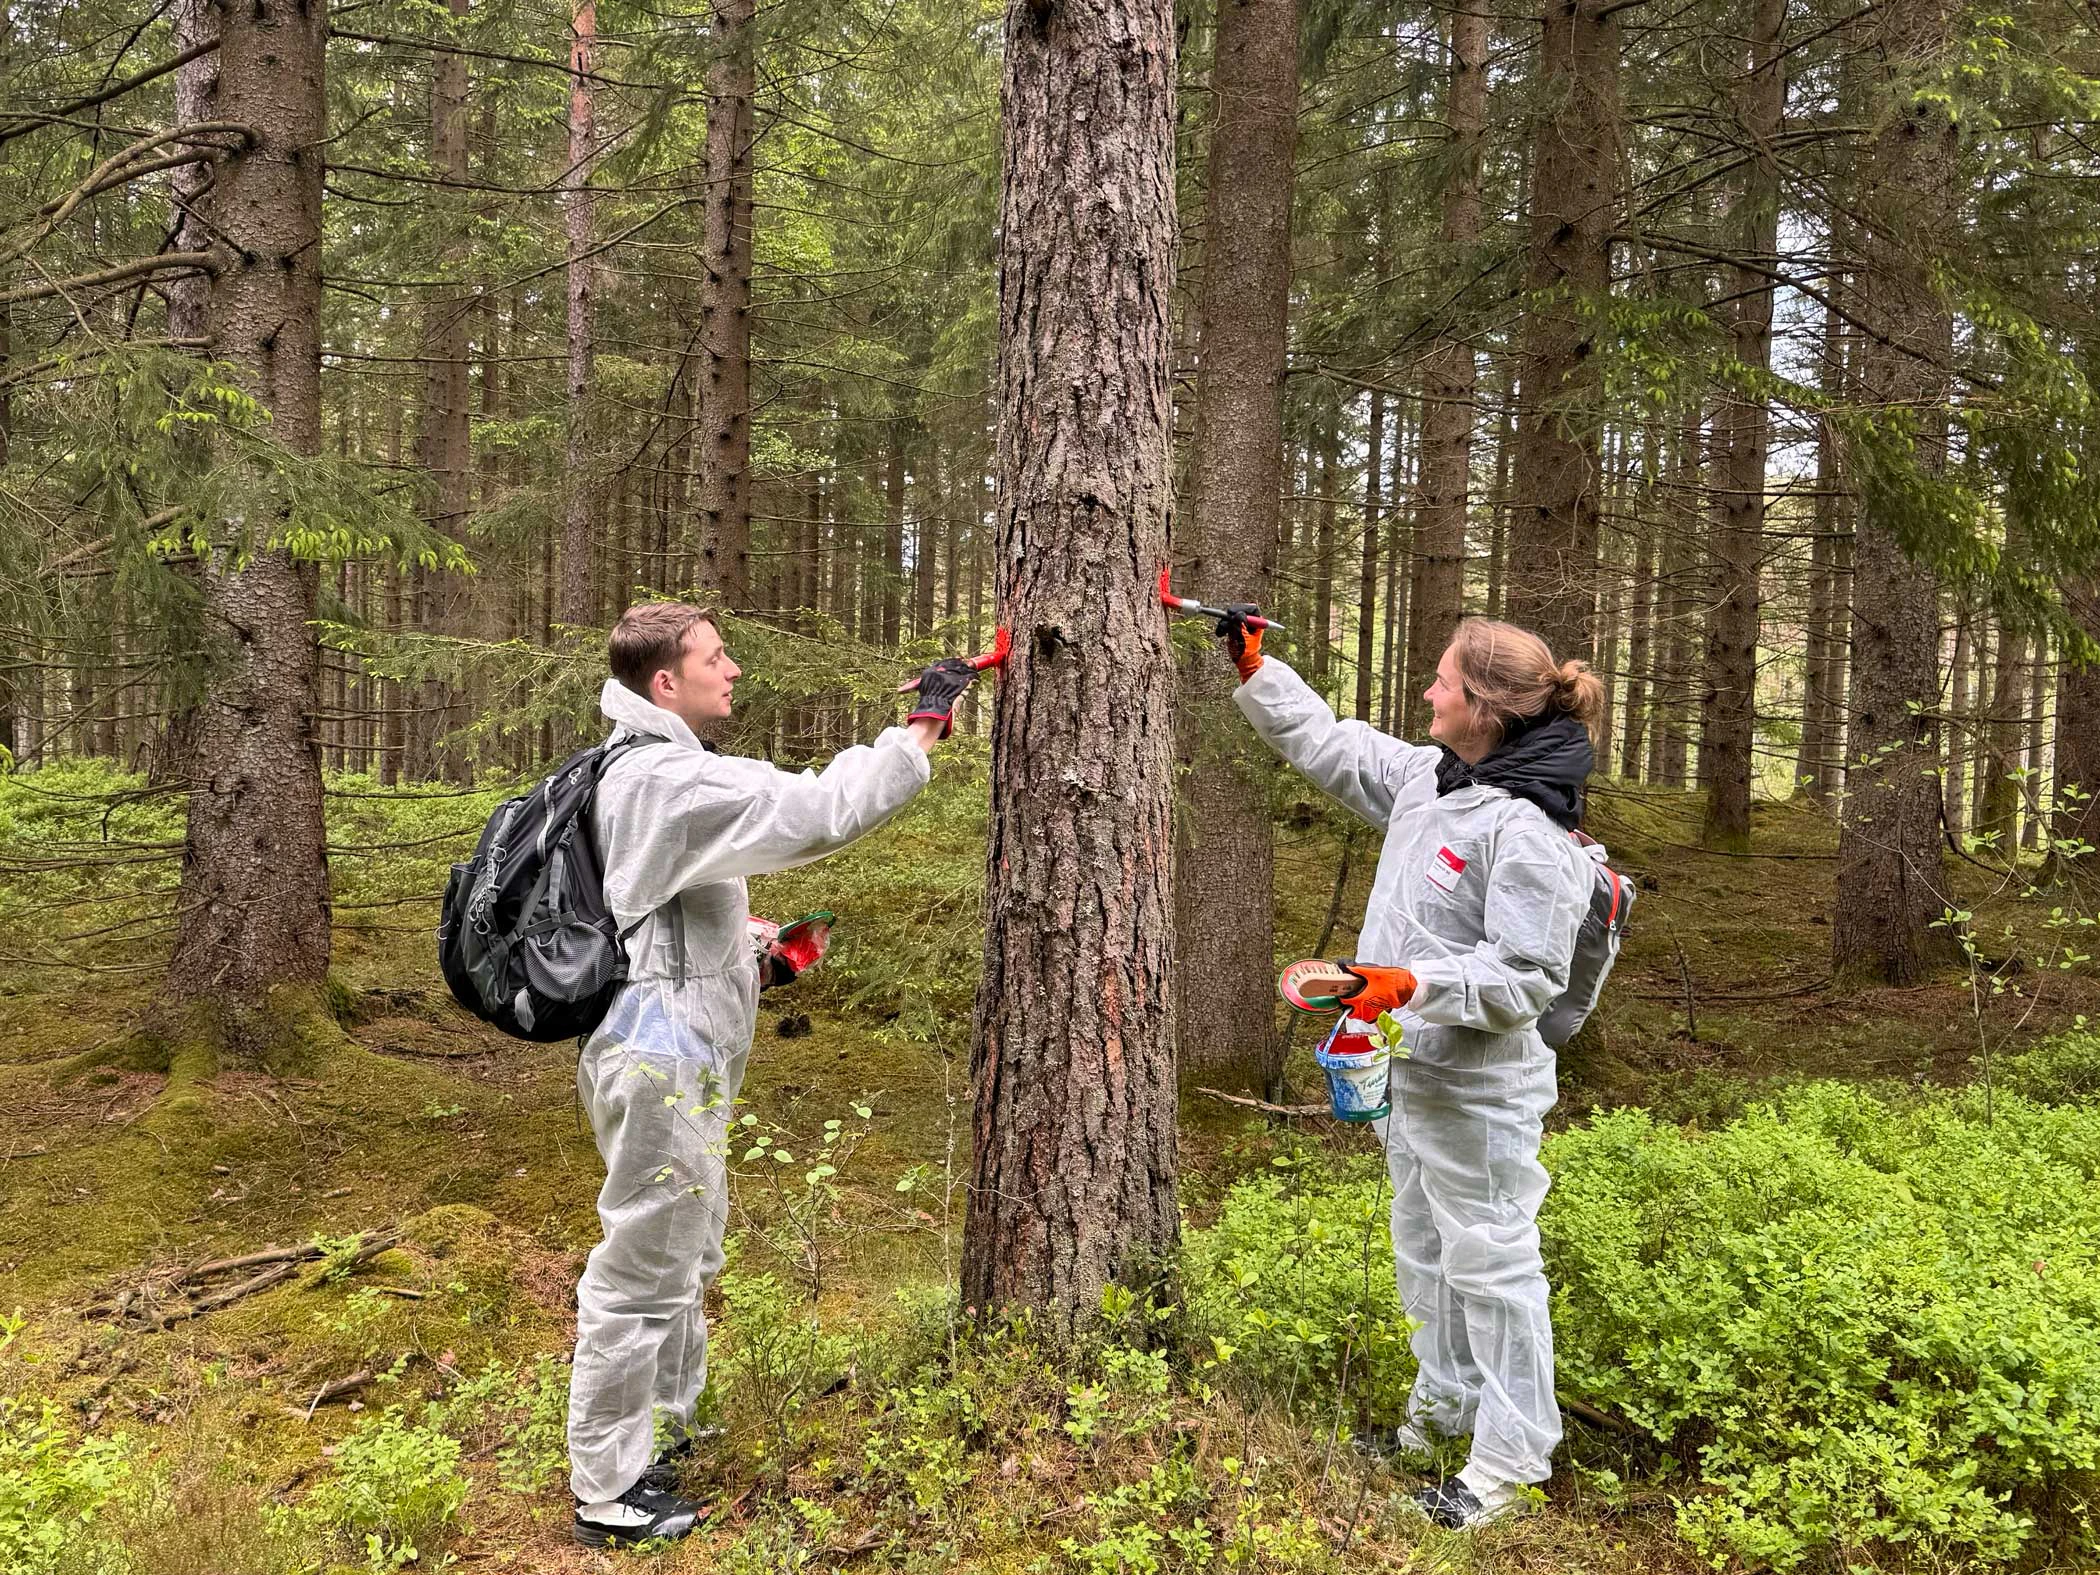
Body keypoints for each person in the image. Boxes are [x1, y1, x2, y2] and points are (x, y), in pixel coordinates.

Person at [567, 602, 980, 1549]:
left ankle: (665, 1431)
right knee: (644, 1265)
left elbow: (653, 910)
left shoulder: (644, 770)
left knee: (686, 1250)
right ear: (665, 683)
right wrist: (918, 732)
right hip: (658, 1053)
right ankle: (608, 1487)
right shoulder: (668, 777)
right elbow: (813, 808)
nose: (735, 670)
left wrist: (754, 950)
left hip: (669, 1039)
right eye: (717, 658)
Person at [1220, 608, 1604, 1531]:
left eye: (1441, 682)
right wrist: (1258, 668)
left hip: (1482, 1087)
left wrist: (1409, 980)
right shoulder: (1434, 780)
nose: (1426, 693)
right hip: (1415, 1071)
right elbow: (1332, 743)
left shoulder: (1530, 832)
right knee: (1426, 1251)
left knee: (1494, 1263)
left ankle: (1508, 1465)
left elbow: (1524, 976)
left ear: (1483, 707)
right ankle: (1439, 1420)